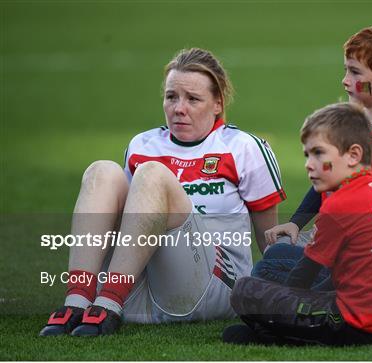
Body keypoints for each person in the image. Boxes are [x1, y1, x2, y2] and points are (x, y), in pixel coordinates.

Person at [39, 48, 286, 337]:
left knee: (152, 174)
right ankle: (79, 301)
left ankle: (107, 302)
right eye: (172, 97)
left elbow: (269, 240)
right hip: (139, 287)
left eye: (193, 99)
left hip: (213, 286)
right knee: (101, 171)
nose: (179, 108)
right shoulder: (142, 145)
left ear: (218, 103)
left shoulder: (244, 147)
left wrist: (282, 296)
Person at [224, 103, 372, 346]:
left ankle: (277, 335)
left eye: (319, 153)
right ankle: (278, 331)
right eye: (307, 155)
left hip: (367, 327)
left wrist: (278, 309)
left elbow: (302, 277)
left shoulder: (341, 203)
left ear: (353, 155)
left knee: (244, 289)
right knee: (278, 259)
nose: (309, 164)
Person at [254, 23, 372, 285]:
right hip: (334, 239)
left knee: (267, 274)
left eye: (354, 72)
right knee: (274, 254)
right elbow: (326, 178)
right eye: (345, 70)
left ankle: (324, 300)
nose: (345, 80)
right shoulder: (347, 126)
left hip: (369, 252)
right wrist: (296, 223)